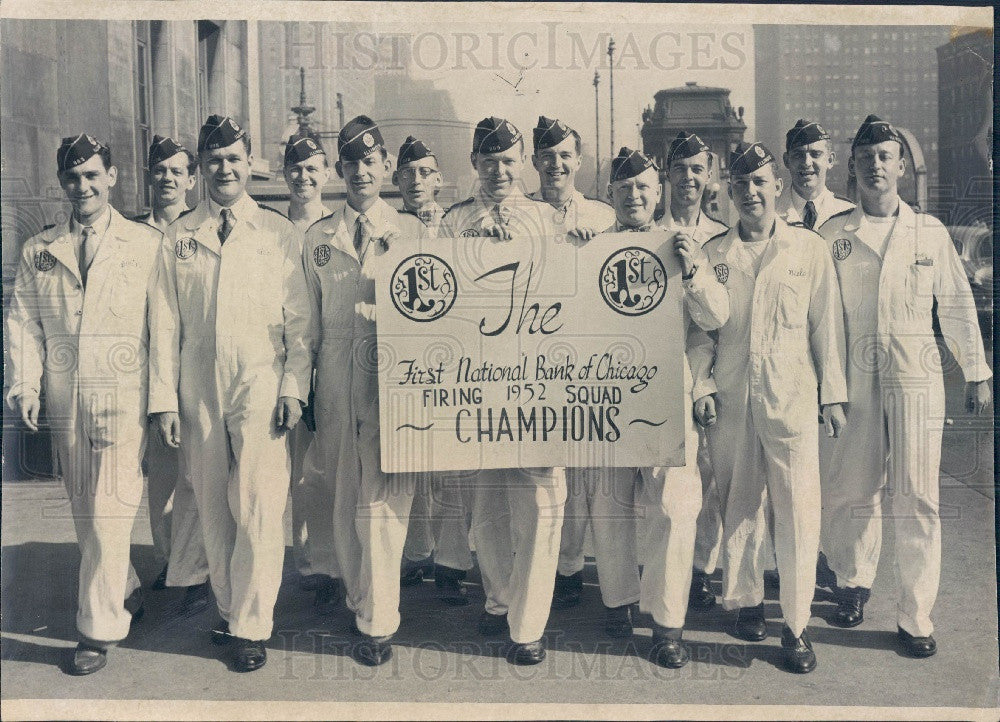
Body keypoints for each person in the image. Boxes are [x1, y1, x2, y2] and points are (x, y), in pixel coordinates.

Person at [817, 115, 991, 655]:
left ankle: (916, 616)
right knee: (853, 488)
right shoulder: (832, 235)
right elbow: (820, 318)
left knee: (917, 495)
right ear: (852, 167)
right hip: (853, 379)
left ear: (903, 168)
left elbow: (958, 306)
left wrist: (977, 371)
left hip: (916, 376)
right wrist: (827, 388)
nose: (876, 165)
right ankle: (852, 582)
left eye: (885, 156)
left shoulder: (929, 233)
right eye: (866, 156)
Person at [149, 115, 312, 673]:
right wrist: (164, 401)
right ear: (202, 167)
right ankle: (228, 607)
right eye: (215, 160)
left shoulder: (276, 232)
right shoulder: (178, 236)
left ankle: (252, 624)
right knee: (213, 504)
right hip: (198, 383)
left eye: (235, 159)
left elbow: (301, 323)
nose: (225, 168)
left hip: (261, 378)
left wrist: (294, 385)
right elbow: (164, 323)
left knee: (261, 504)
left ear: (249, 164)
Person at [6, 134, 163, 674]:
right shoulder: (40, 249)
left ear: (113, 177)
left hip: (123, 397)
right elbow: (23, 322)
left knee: (108, 511)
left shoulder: (145, 244)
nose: (83, 186)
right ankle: (123, 587)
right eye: (73, 177)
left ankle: (95, 630)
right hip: (65, 400)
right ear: (62, 183)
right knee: (84, 508)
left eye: (93, 175)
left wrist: (162, 399)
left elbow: (162, 328)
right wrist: (24, 386)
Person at [699, 141, 848, 674]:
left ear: (778, 186)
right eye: (742, 184)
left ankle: (797, 624)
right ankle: (746, 603)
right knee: (737, 503)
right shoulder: (713, 254)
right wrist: (700, 388)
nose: (752, 192)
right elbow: (701, 335)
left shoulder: (807, 249)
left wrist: (833, 394)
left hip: (791, 395)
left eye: (761, 182)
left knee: (798, 510)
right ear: (731, 192)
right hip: (734, 396)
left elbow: (825, 327)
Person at [599, 147, 731, 666]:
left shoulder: (680, 248)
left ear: (658, 195)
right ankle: (617, 600)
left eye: (644, 188)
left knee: (673, 509)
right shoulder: (592, 247)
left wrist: (695, 269)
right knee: (610, 507)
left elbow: (714, 321)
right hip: (602, 395)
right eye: (624, 188)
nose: (634, 195)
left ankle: (667, 621)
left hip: (664, 391)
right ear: (610, 195)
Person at [439, 117, 564, 665]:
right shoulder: (452, 222)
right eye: (489, 161)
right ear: (474, 163)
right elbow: (438, 294)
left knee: (541, 499)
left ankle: (529, 624)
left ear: (522, 162)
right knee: (486, 503)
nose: (499, 171)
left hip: (535, 376)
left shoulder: (546, 219)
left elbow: (568, 293)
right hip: (476, 378)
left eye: (509, 160)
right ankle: (499, 601)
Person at [302, 115, 418, 666]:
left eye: (371, 162)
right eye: (351, 163)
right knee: (345, 499)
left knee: (384, 503)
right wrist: (301, 390)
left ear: (386, 165)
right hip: (335, 386)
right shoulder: (318, 238)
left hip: (393, 386)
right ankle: (360, 598)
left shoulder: (413, 233)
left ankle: (378, 621)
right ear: (339, 170)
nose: (361, 172)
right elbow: (305, 324)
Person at [526, 116, 617, 614]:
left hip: (593, 363)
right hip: (535, 363)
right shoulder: (517, 214)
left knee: (593, 479)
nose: (556, 164)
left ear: (578, 161)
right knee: (548, 473)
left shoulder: (604, 216)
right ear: (535, 161)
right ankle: (560, 572)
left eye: (565, 155)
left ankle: (599, 575)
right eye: (547, 155)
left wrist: (597, 247)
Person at [393, 134, 475, 606]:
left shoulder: (458, 225)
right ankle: (416, 553)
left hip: (452, 361)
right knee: (410, 465)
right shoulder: (388, 227)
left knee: (450, 469)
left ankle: (452, 562)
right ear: (396, 179)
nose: (417, 181)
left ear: (440, 179)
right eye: (408, 173)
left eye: (426, 172)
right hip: (404, 361)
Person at [134, 135, 210, 616]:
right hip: (141, 373)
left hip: (194, 372)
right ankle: (169, 561)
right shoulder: (132, 235)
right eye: (159, 170)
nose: (168, 178)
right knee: (158, 480)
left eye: (177, 171)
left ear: (191, 177)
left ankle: (195, 571)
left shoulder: (200, 230)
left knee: (196, 478)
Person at [659, 131, 730, 613]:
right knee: (668, 485)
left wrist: (704, 382)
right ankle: (662, 573)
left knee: (713, 476)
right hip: (661, 376)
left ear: (710, 177)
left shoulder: (723, 238)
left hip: (715, 376)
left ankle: (705, 569)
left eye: (697, 169)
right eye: (680, 168)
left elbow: (719, 324)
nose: (689, 178)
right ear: (667, 173)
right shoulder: (649, 231)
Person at [281, 130, 344, 613]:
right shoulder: (272, 230)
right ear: (285, 175)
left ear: (326, 174)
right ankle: (305, 558)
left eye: (312, 169)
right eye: (295, 169)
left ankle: (326, 564)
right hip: (277, 368)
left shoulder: (335, 228)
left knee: (322, 473)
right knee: (290, 474)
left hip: (328, 369)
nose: (304, 177)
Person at [779, 119, 855, 230]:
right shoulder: (770, 213)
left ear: (830, 160)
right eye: (798, 155)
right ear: (786, 161)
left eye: (815, 154)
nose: (806, 162)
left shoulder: (849, 213)